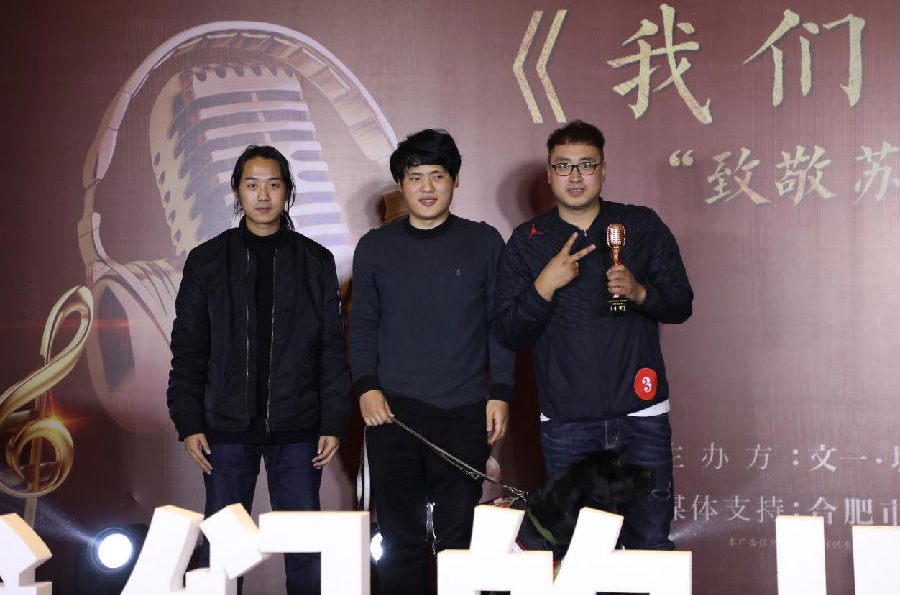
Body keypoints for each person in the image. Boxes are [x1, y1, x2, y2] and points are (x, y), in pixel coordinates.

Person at [494, 120, 693, 550]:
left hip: (641, 412)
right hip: (567, 420)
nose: (575, 176)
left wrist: (640, 292)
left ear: (603, 170)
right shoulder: (527, 241)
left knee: (650, 542)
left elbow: (681, 304)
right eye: (563, 166)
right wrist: (544, 286)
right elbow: (509, 330)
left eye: (586, 164)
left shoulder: (640, 225)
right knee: (578, 554)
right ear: (549, 174)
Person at [166, 145, 351, 594]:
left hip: (299, 428)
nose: (263, 195)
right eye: (252, 185)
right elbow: (189, 349)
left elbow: (331, 348)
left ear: (288, 191)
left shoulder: (315, 260)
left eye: (273, 184)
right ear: (236, 190)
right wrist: (189, 421)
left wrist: (332, 420)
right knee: (223, 555)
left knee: (305, 551)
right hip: (225, 430)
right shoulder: (207, 260)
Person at [349, 128, 515, 594]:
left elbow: (499, 324)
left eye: (437, 176)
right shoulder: (375, 247)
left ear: (455, 180)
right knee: (399, 539)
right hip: (392, 414)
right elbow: (362, 324)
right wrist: (366, 386)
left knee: (457, 542)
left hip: (463, 412)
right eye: (415, 177)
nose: (426, 187)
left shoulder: (483, 242)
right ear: (400, 184)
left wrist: (501, 391)